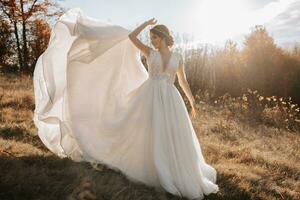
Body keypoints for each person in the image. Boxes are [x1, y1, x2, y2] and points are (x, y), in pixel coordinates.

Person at [33, 8, 219, 200]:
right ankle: (153, 166)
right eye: (151, 38)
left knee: (173, 132)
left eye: (155, 37)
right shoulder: (150, 52)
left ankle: (175, 167)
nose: (152, 41)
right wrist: (146, 24)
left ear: (163, 38)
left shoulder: (178, 57)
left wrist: (192, 101)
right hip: (150, 95)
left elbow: (183, 81)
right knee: (149, 131)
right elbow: (131, 36)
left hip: (171, 98)